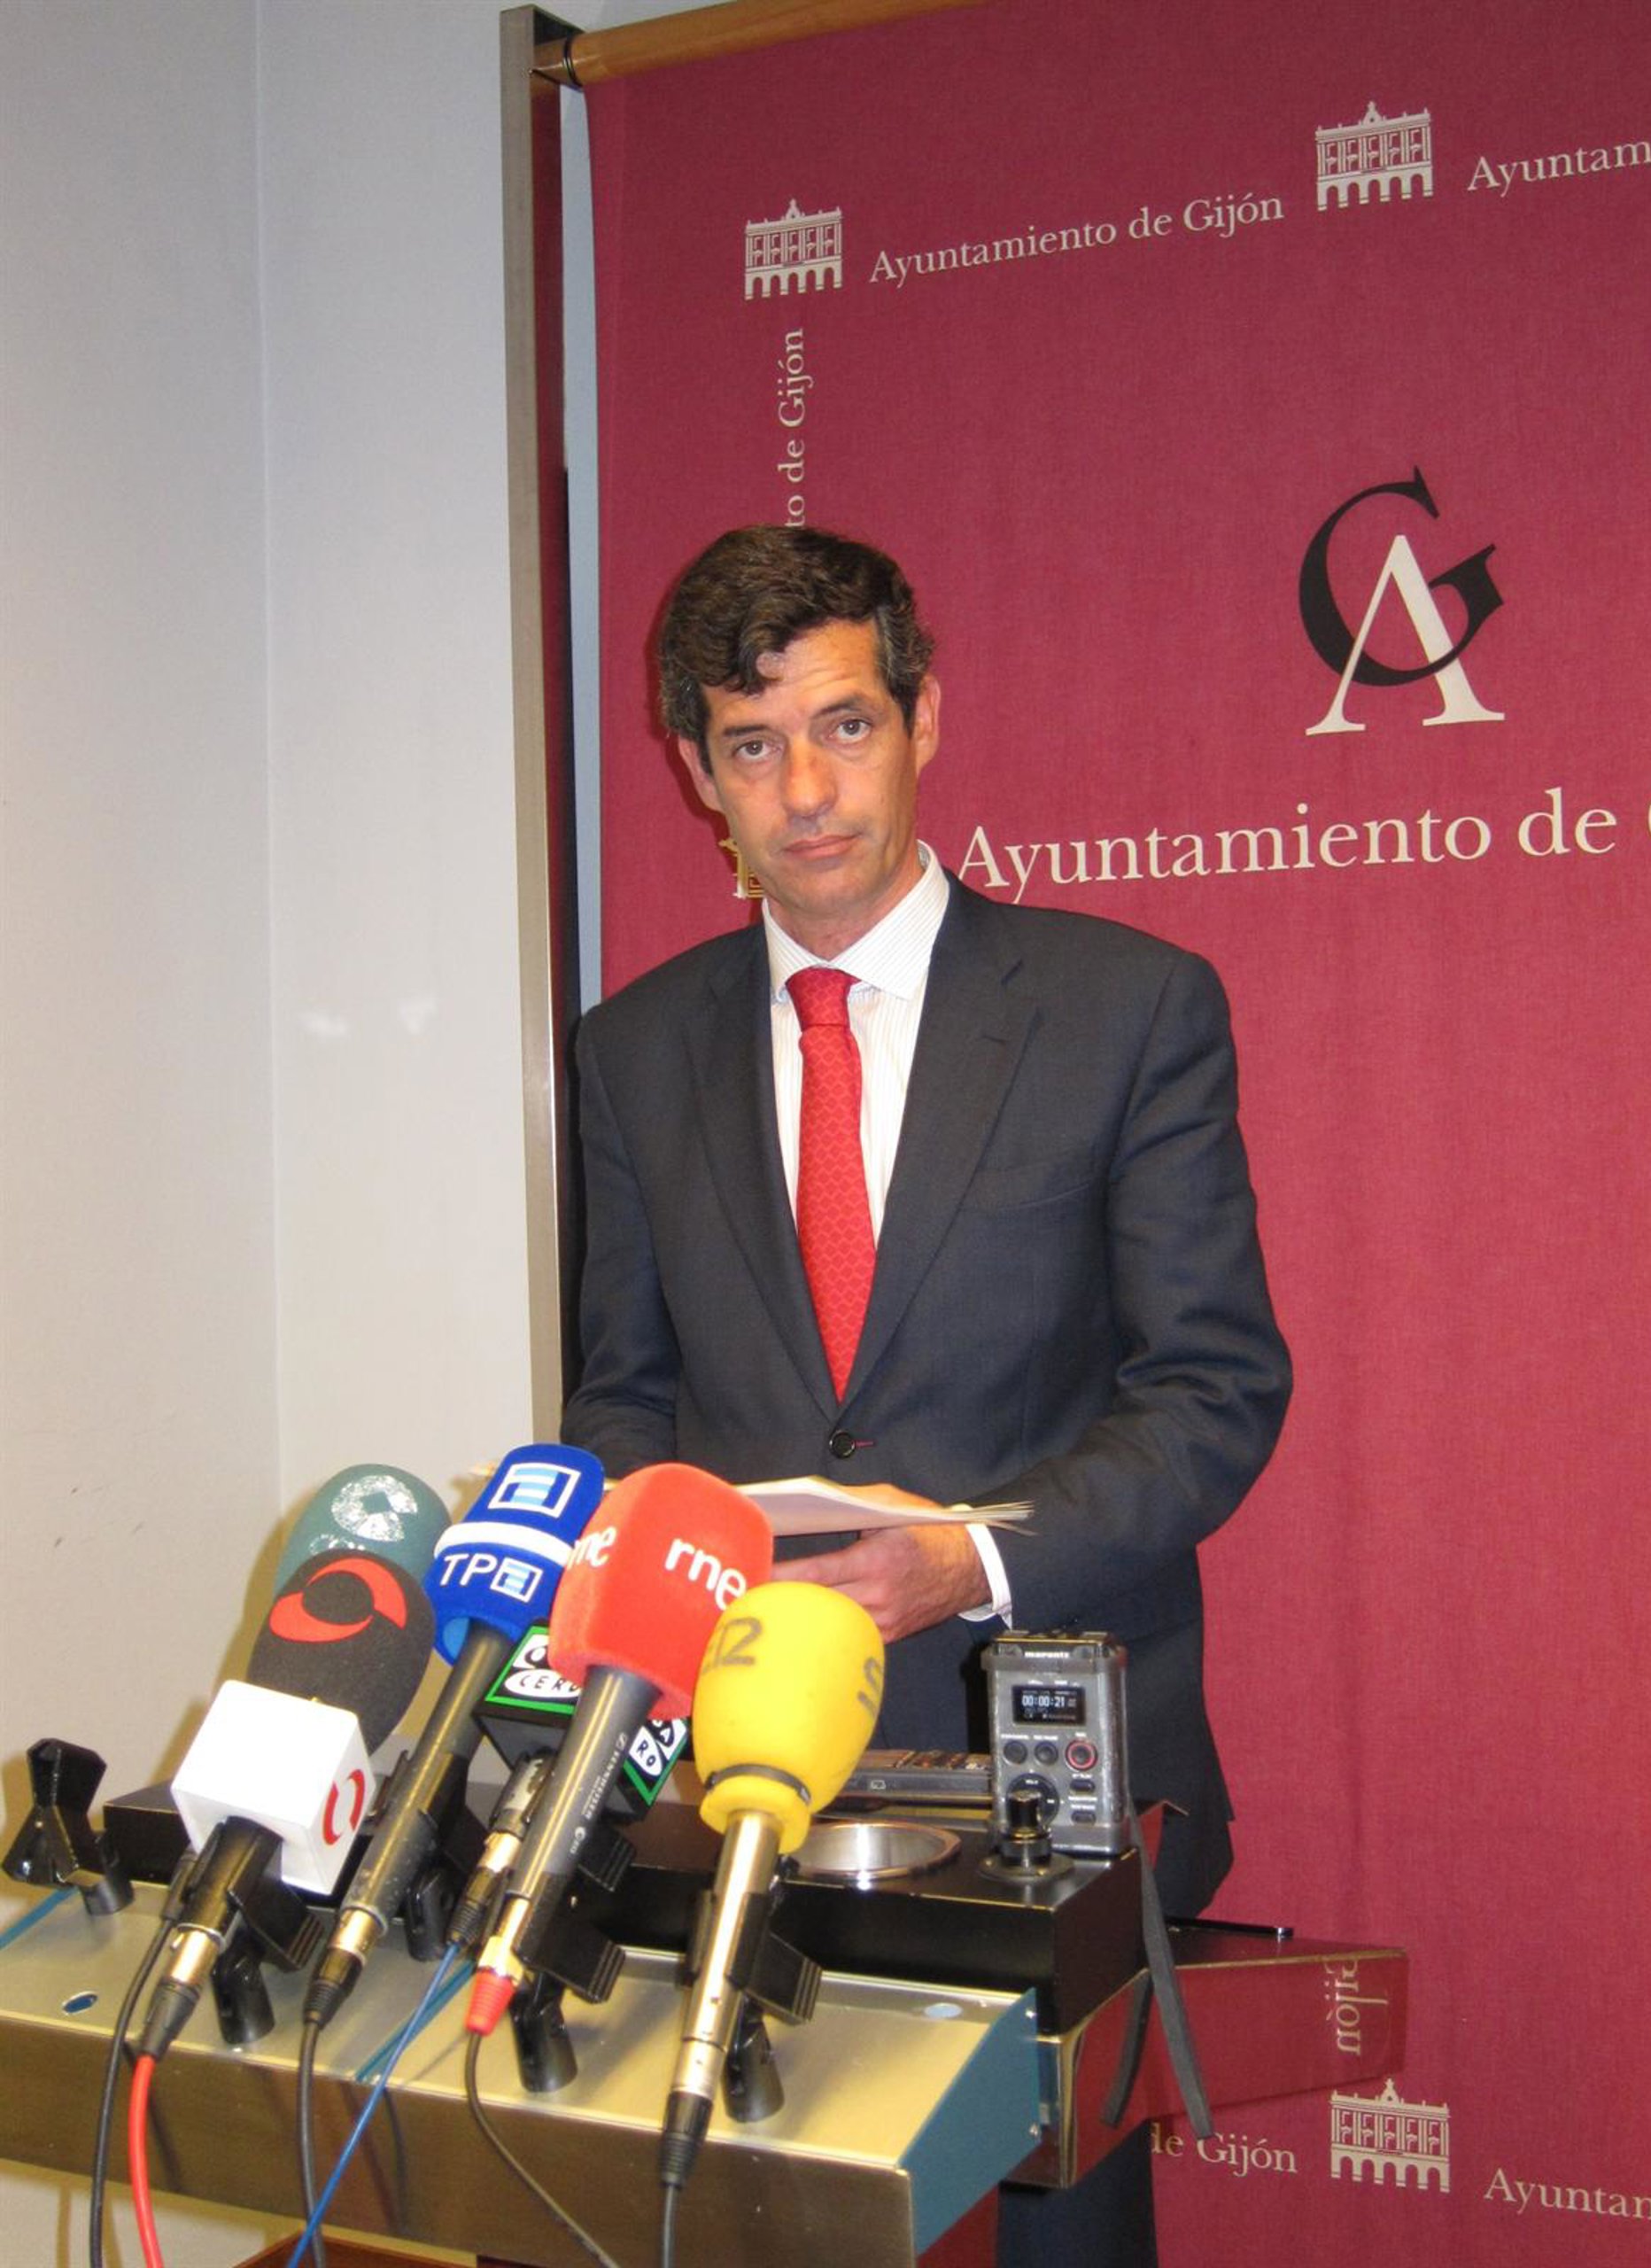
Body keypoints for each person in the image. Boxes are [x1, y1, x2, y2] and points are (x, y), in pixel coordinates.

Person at [563, 524, 1291, 2264]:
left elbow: (1214, 1387)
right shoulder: (632, 1051)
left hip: (1048, 1778)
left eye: (844, 725)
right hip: (750, 1777)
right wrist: (649, 1561)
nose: (806, 790)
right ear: (698, 773)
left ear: (924, 720)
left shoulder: (1126, 1009)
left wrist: (971, 1558)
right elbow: (623, 1401)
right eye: (752, 745)